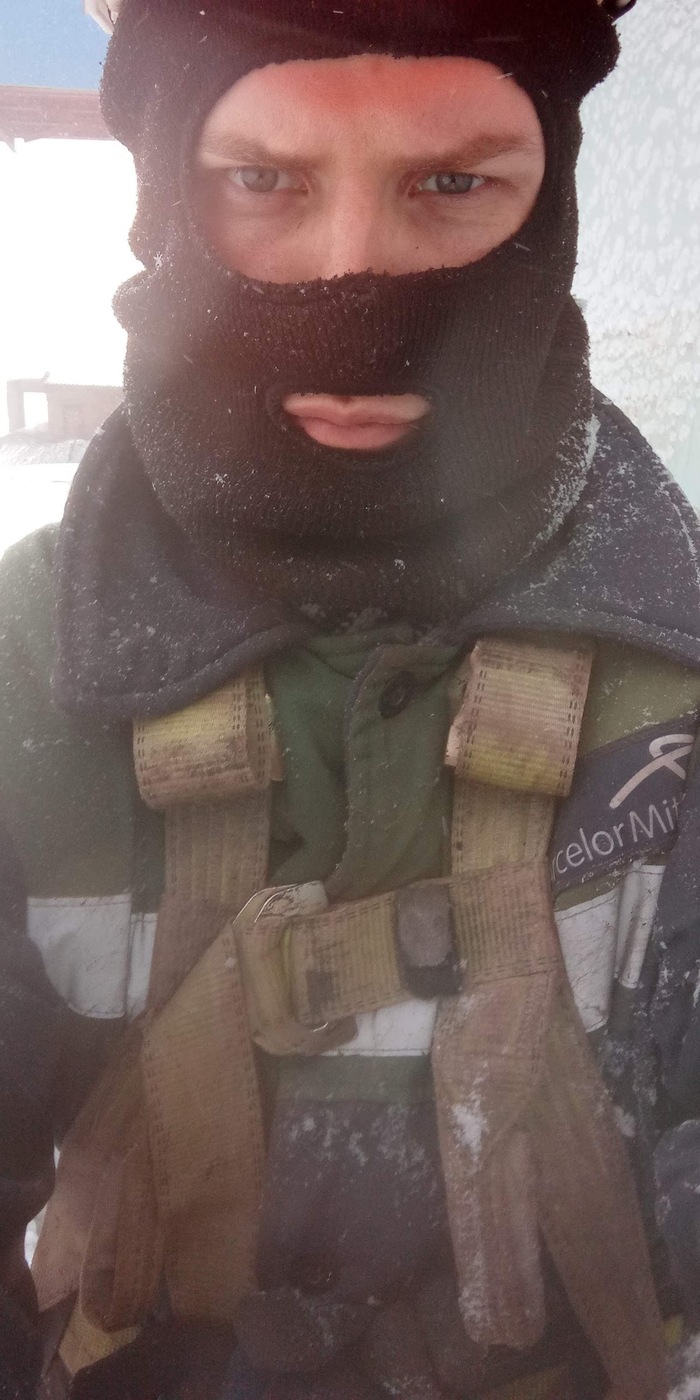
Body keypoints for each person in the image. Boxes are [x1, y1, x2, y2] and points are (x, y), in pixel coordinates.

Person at [2, 0, 700, 1397]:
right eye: (263, 179)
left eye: (453, 181)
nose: (356, 276)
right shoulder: (26, 662)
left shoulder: (677, 672)